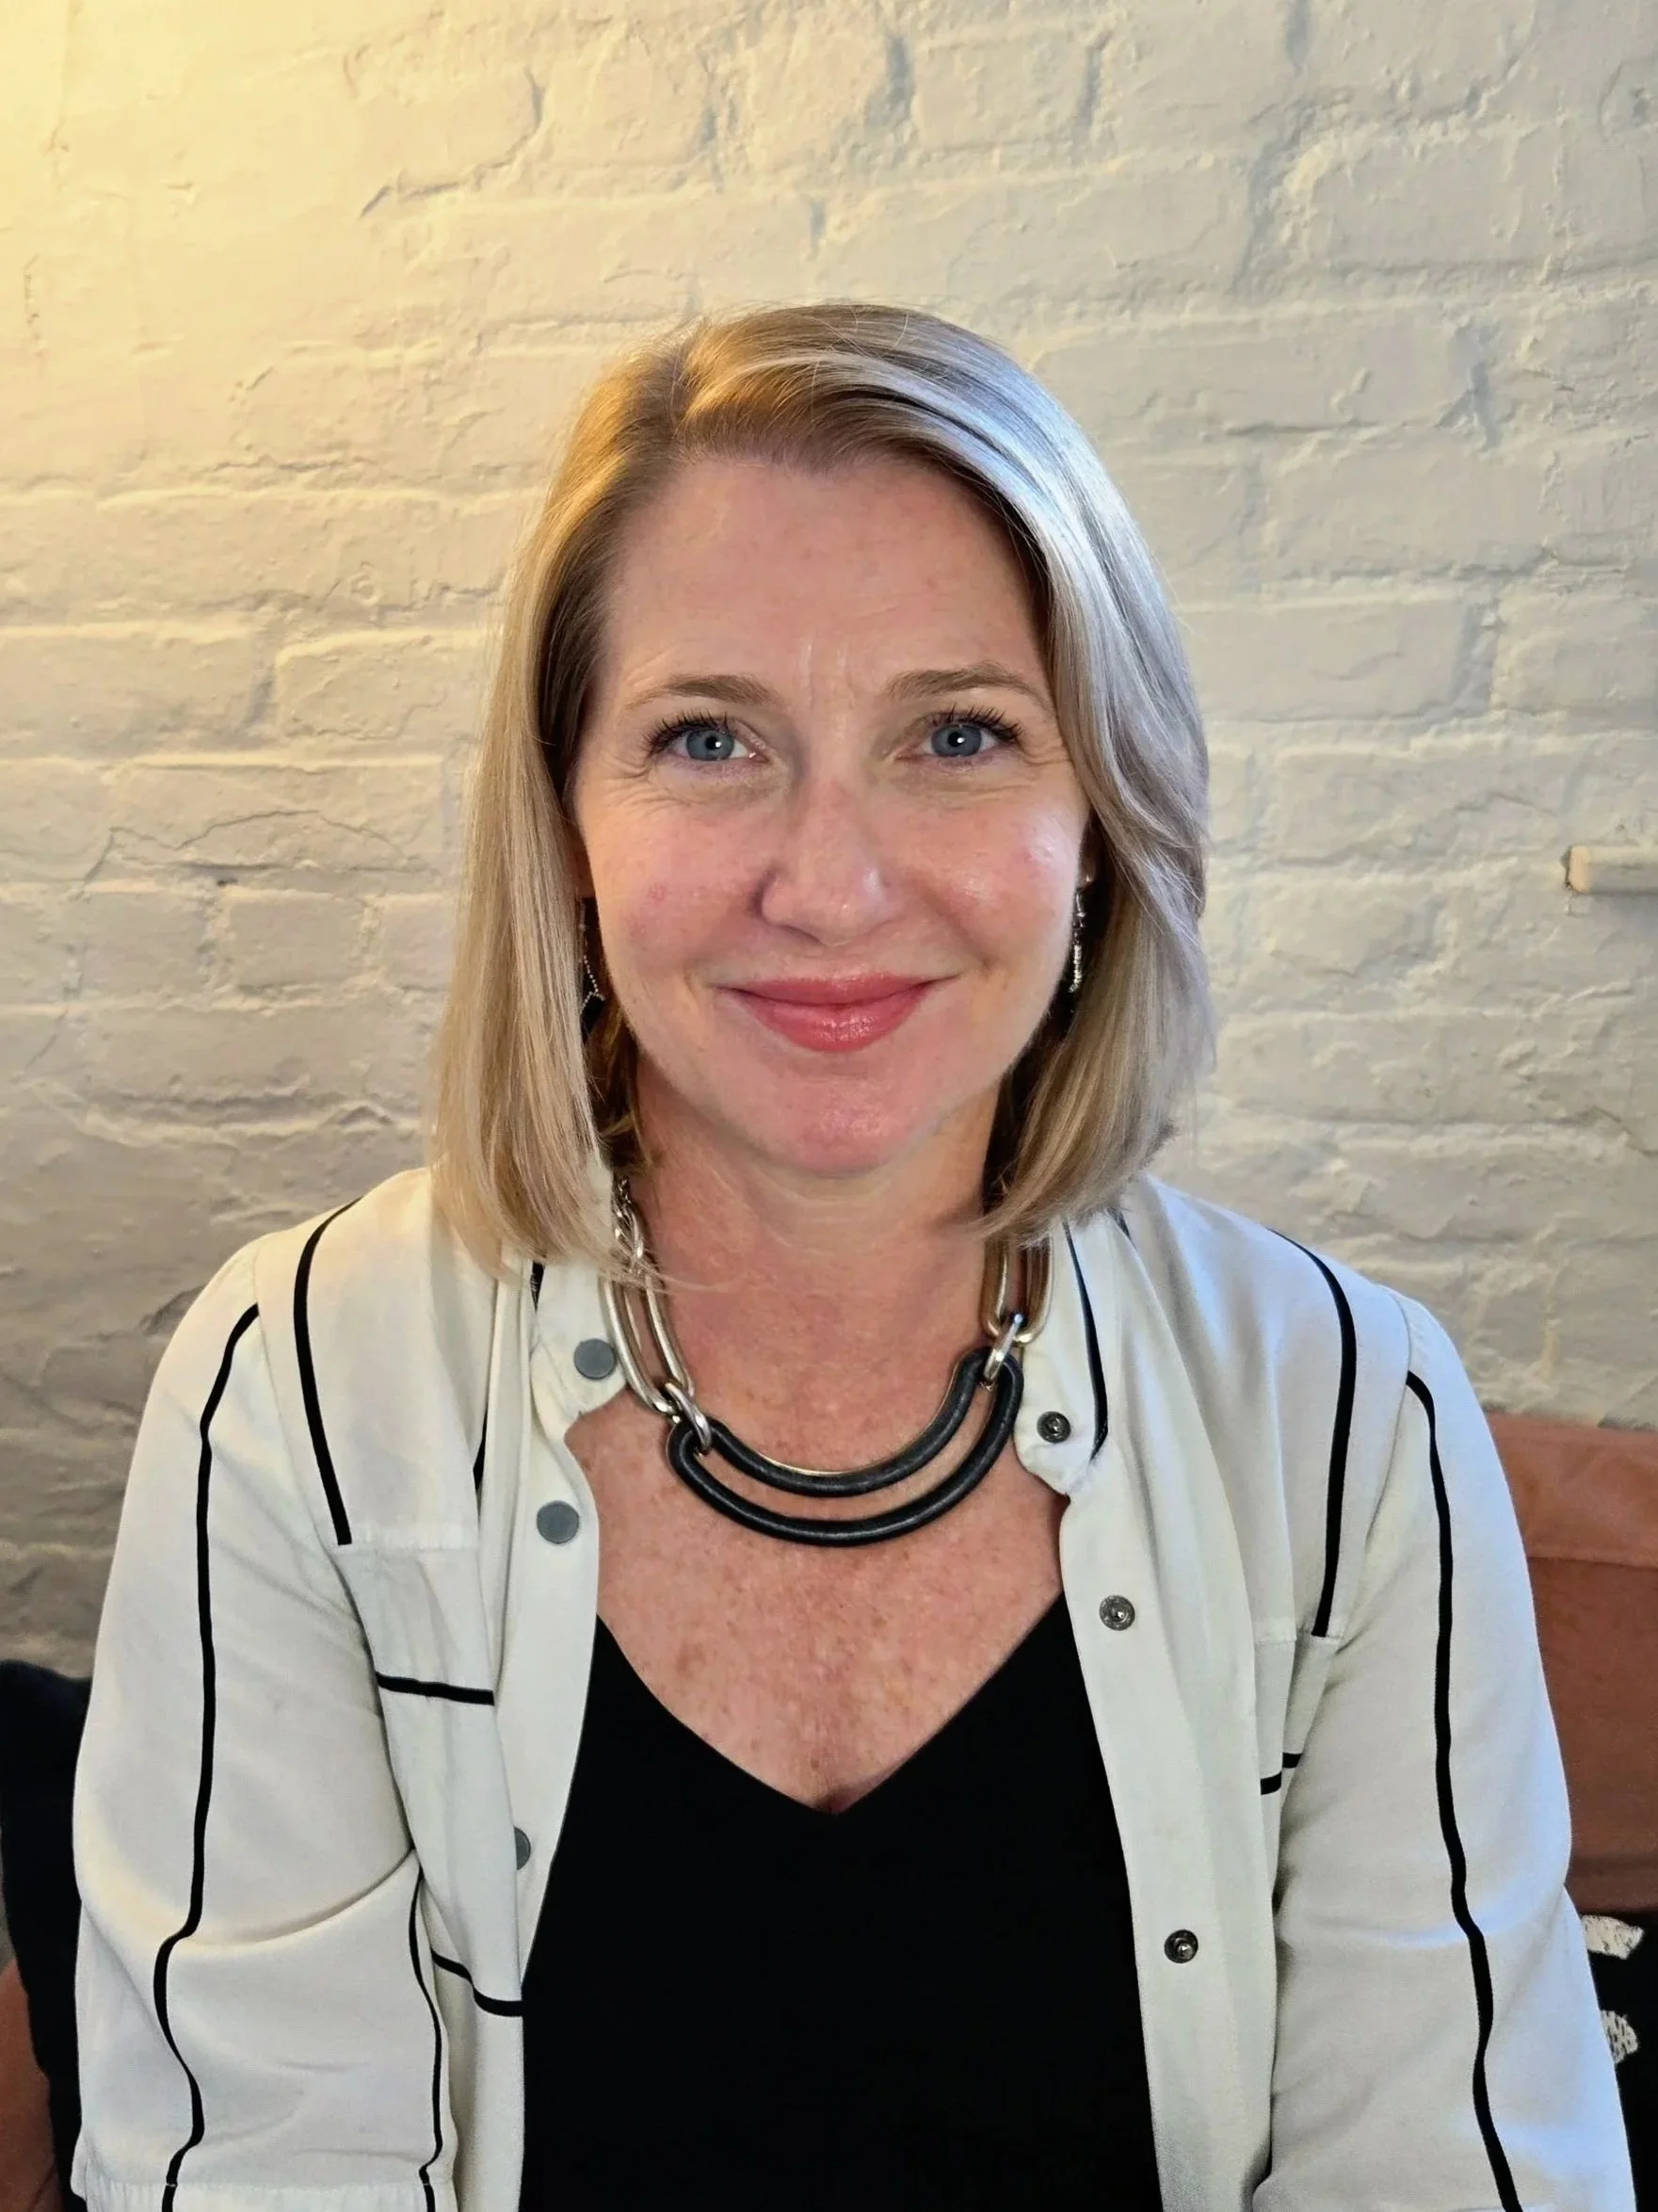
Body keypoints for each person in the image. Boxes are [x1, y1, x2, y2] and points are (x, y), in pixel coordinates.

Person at [72, 304, 1632, 2212]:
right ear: (563, 827)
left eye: (958, 733)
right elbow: (256, 2170)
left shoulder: (1345, 1413)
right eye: (708, 737)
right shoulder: (301, 1390)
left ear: (1099, 825)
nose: (830, 883)